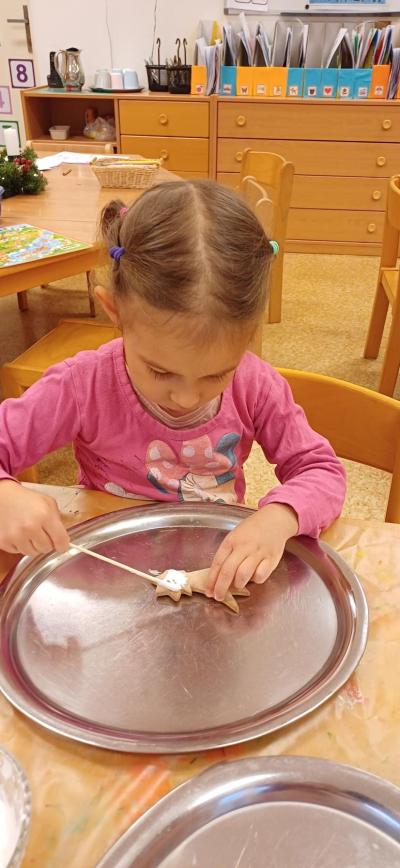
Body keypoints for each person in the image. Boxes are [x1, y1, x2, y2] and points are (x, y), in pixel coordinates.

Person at [0, 180, 345, 603]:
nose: (186, 398)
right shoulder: (82, 385)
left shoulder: (256, 384)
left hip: (211, 568)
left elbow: (321, 471)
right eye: (160, 371)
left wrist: (281, 515)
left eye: (216, 375)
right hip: (106, 574)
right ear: (114, 311)